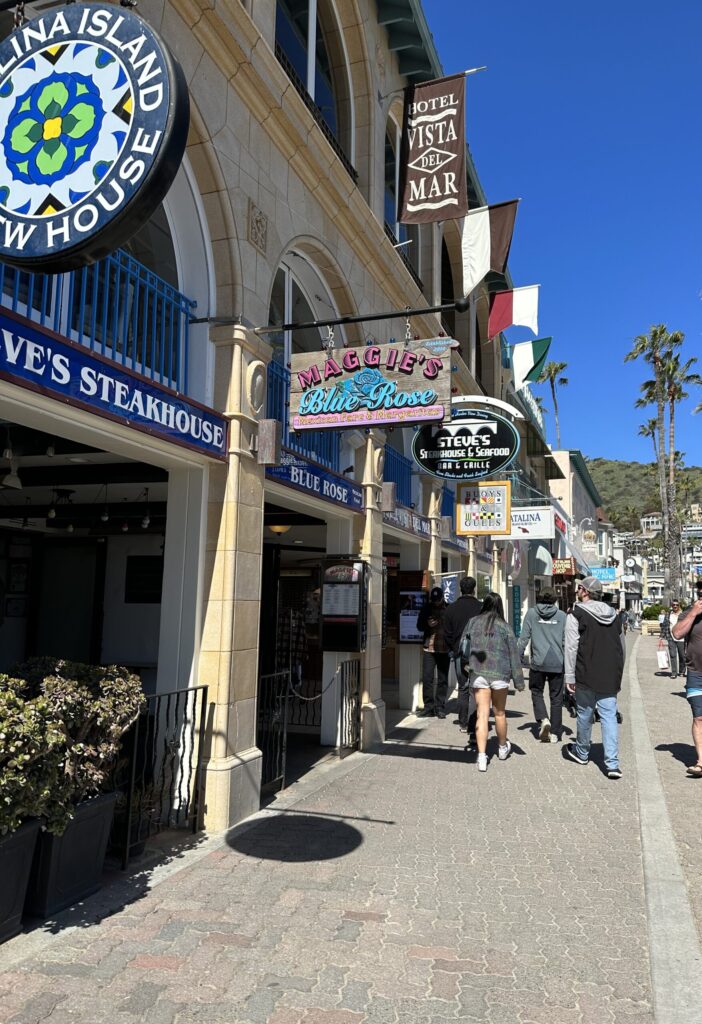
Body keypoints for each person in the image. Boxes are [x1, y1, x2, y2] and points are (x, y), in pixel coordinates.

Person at [564, 576, 625, 779]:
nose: (578, 591)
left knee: (585, 713)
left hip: (585, 671)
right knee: (609, 716)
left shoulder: (577, 614)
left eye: (579, 588)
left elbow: (571, 647)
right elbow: (622, 648)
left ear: (585, 591)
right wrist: (619, 673)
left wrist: (569, 676)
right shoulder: (615, 616)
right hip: (609, 673)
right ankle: (612, 764)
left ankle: (582, 752)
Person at [460, 592, 525, 771]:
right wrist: (519, 682)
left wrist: (466, 666)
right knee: (500, 713)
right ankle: (503, 748)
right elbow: (514, 654)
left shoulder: (473, 622)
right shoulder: (505, 627)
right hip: (500, 674)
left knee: (482, 714)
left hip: (478, 672)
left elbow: (462, 646)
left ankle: (481, 757)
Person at [518, 588, 566, 743]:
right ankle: (556, 733)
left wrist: (517, 658)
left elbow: (523, 637)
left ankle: (543, 719)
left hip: (538, 662)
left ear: (539, 598)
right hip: (557, 662)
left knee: (536, 691)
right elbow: (567, 641)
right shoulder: (562, 616)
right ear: (554, 600)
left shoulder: (532, 614)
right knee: (556, 698)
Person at [442, 575, 482, 740]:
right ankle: (476, 722)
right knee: (477, 688)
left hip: (459, 654)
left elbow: (447, 634)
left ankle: (464, 722)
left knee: (463, 687)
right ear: (474, 589)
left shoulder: (451, 608)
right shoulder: (481, 608)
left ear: (460, 589)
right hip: (480, 654)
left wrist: (453, 650)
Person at [671, 583, 702, 777]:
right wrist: (693, 613)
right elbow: (676, 633)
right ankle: (701, 762)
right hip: (696, 674)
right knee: (699, 717)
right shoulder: (691, 613)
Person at [416, 587, 450, 718]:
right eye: (434, 600)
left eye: (438, 600)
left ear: (442, 598)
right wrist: (427, 624)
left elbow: (452, 626)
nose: (436, 602)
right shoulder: (426, 608)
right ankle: (428, 707)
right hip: (428, 648)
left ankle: (440, 707)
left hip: (444, 649)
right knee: (427, 678)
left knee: (442, 679)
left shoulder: (449, 608)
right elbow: (419, 626)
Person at [661, 598, 686, 679]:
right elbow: (665, 625)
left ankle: (682, 671)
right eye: (673, 605)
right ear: (672, 606)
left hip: (681, 638)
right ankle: (674, 672)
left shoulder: (683, 614)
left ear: (679, 606)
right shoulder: (668, 614)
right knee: (672, 655)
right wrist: (661, 636)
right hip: (671, 637)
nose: (675, 606)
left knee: (682, 656)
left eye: (676, 605)